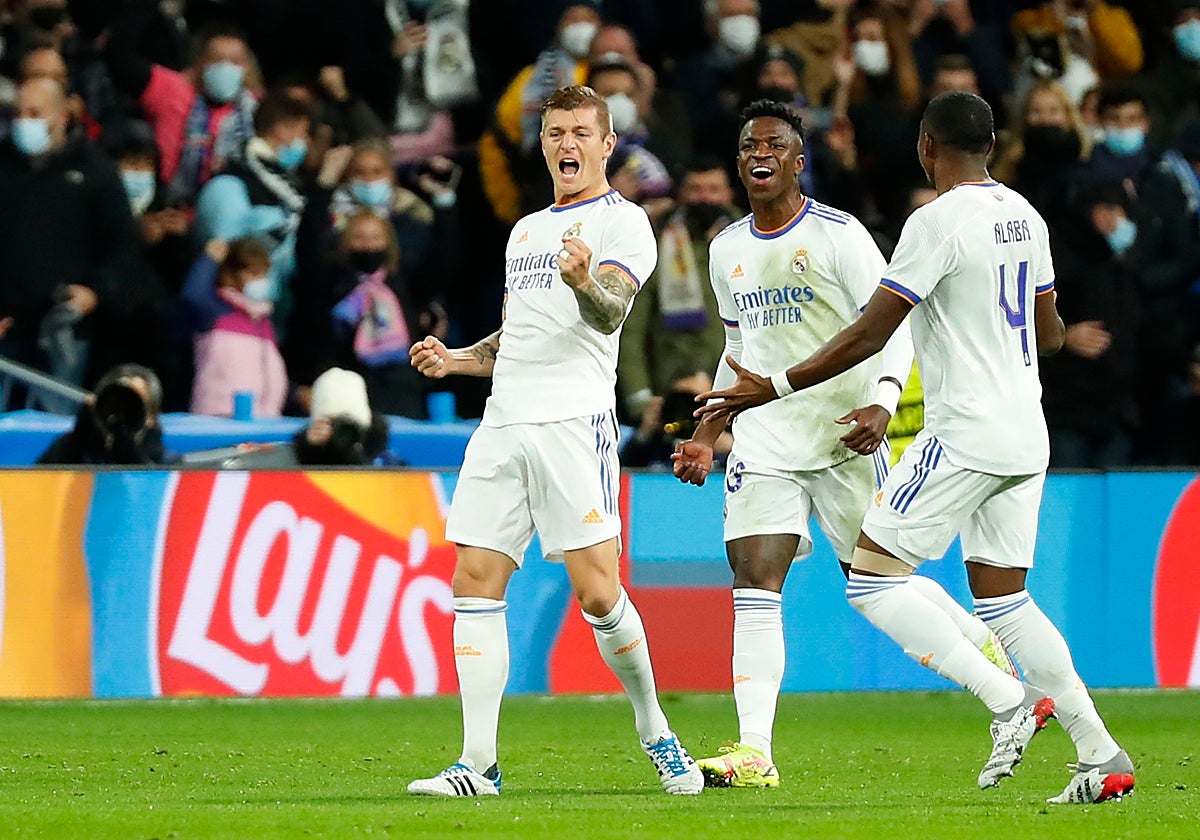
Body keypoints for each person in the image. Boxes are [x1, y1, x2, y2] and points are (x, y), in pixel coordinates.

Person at [693, 91, 1135, 805]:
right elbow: (1052, 334)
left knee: (871, 580)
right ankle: (1100, 753)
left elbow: (874, 331)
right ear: (992, 145)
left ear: (927, 147)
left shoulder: (931, 223)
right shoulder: (1025, 214)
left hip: (963, 432)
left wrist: (773, 385)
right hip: (1028, 429)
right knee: (1007, 600)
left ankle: (1010, 702)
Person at [671, 98, 1016, 789]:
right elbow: (739, 349)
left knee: (878, 582)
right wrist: (708, 431)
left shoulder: (841, 236)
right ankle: (755, 751)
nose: (760, 154)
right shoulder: (727, 248)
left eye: (774, 144)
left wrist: (884, 402)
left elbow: (895, 326)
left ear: (799, 161)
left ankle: (987, 654)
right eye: (749, 146)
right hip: (766, 440)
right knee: (754, 579)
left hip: (843, 436)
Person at [407, 84, 703, 798]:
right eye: (555, 132)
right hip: (503, 421)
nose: (567, 144)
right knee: (474, 580)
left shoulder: (624, 223)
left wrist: (582, 281)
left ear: (607, 145)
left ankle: (656, 730)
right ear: (542, 144)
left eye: (580, 133)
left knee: (598, 594)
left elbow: (607, 314)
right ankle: (478, 763)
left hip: (573, 422)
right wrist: (458, 360)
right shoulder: (526, 232)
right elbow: (520, 334)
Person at [36, 363, 172, 466]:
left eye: (133, 404)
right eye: (115, 403)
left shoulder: (167, 466)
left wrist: (128, 452)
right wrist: (77, 441)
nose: (121, 413)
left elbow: (152, 488)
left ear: (151, 418)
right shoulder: (71, 445)